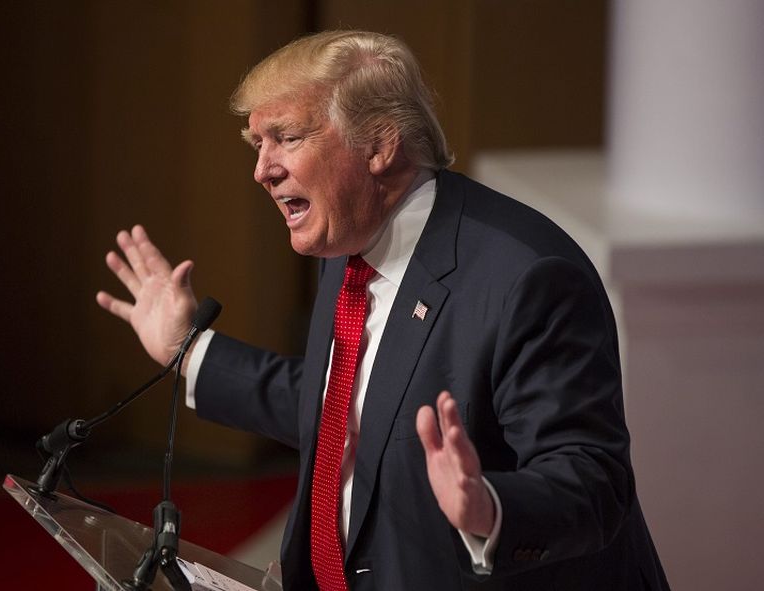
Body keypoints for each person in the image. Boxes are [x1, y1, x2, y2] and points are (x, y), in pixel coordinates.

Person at [97, 30, 669, 591]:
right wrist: (187, 350)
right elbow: (350, 405)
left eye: (287, 138)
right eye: (257, 144)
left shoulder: (528, 277)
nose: (262, 169)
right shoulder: (349, 244)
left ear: (379, 145)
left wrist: (489, 508)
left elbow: (594, 482)